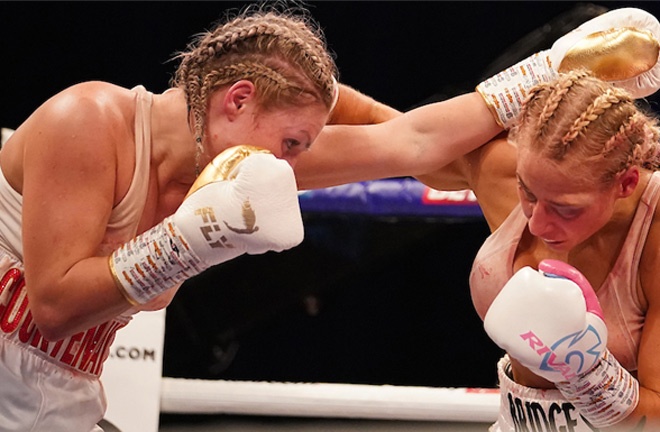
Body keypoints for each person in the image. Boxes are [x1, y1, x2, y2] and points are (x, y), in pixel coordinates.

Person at [0, 3, 412, 430]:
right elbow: (52, 309)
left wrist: (490, 102)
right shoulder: (89, 119)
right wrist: (184, 245)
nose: (286, 168)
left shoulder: (217, 173)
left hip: (60, 407)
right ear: (238, 98)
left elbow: (417, 141)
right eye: (290, 142)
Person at [294, 7, 660, 432]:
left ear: (626, 182)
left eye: (565, 208)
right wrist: (286, 97)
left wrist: (588, 373)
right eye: (528, 192)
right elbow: (391, 132)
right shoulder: (503, 168)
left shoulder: (653, 231)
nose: (538, 223)